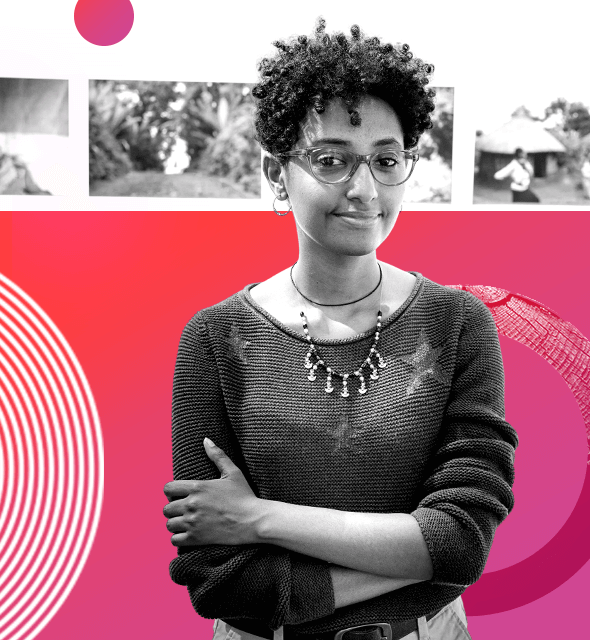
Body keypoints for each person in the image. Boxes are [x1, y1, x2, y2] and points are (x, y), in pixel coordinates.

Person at [163, 20, 518, 640]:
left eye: (387, 160)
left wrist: (259, 519)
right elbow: (216, 578)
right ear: (277, 173)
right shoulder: (214, 339)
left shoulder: (459, 325)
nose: (363, 189)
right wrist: (415, 557)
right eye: (331, 160)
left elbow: (462, 540)